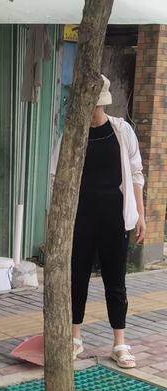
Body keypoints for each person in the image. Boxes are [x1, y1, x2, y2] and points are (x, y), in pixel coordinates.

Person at [53, 74, 145, 369]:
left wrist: (141, 216)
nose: (91, 111)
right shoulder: (72, 133)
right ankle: (75, 337)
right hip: (80, 215)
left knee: (115, 280)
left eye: (95, 106)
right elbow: (57, 176)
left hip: (115, 215)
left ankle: (120, 342)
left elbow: (136, 174)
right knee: (76, 277)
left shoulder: (122, 131)